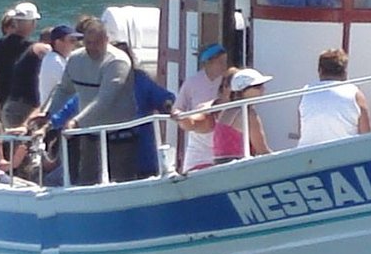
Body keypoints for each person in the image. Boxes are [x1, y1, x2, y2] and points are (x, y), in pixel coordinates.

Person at [41, 17, 137, 184]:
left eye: (97, 42)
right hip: (89, 135)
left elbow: (104, 99)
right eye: (88, 42)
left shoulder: (117, 61)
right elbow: (64, 90)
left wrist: (76, 121)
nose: (92, 47)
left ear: (106, 40)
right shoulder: (75, 59)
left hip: (119, 135)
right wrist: (48, 116)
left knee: (120, 182)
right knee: (87, 181)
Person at [117, 40, 177, 178]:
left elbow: (162, 97)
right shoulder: (101, 80)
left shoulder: (140, 79)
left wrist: (168, 104)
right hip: (114, 143)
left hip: (142, 146)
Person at [187, 67, 272, 163]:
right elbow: (263, 151)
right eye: (258, 86)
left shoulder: (227, 110)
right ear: (244, 90)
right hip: (237, 166)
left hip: (220, 165)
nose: (263, 89)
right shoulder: (249, 114)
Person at [0, 1, 42, 127]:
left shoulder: (3, 43)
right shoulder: (33, 48)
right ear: (32, 23)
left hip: (2, 97)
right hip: (24, 101)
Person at [173, 42, 230, 172]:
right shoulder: (192, 82)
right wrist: (179, 116)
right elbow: (178, 107)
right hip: (199, 137)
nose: (224, 66)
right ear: (208, 62)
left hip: (222, 136)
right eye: (220, 62)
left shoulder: (228, 81)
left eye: (225, 61)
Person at [297, 48, 371, 145]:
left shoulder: (306, 92)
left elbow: (301, 131)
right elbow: (367, 137)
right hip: (344, 156)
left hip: (307, 157)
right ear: (344, 71)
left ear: (320, 70)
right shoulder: (355, 94)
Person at [36, 24, 82, 106]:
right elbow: (73, 86)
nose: (74, 44)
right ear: (58, 42)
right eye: (71, 41)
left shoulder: (61, 58)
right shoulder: (54, 61)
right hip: (54, 111)